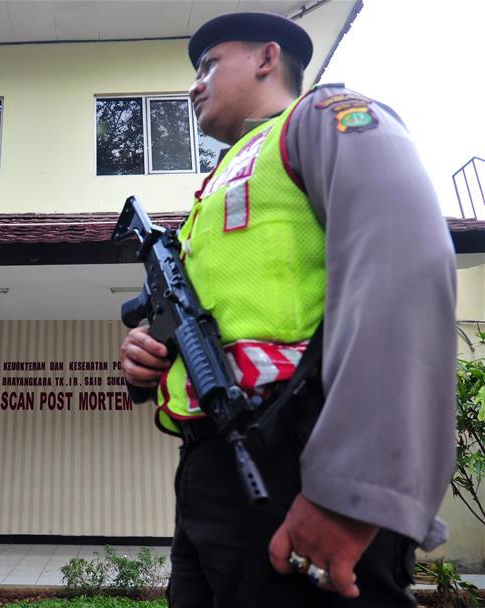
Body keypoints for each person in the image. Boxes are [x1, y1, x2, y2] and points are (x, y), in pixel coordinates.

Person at [119, 11, 457, 608]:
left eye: (208, 64)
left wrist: (354, 489)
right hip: (212, 467)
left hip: (299, 460)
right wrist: (150, 356)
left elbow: (403, 260)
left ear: (266, 59)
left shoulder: (319, 120)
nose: (194, 84)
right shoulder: (216, 184)